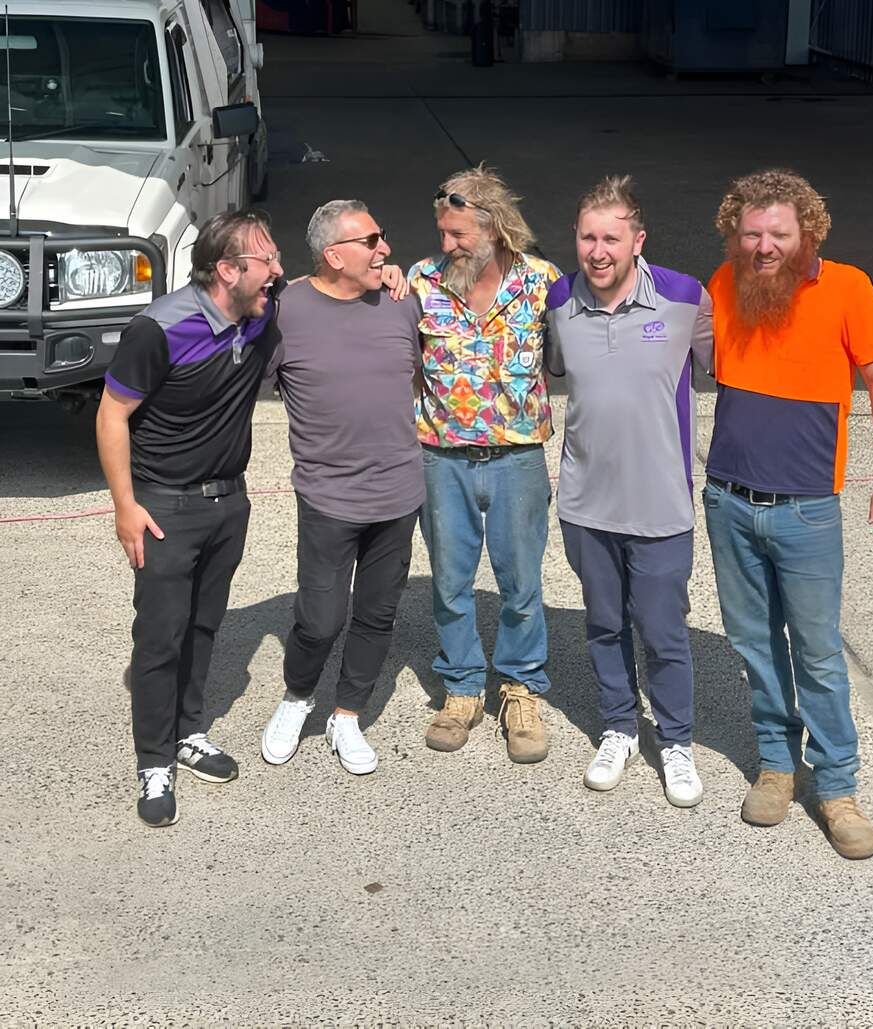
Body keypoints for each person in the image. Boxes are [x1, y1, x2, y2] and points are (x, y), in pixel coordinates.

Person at [703, 169, 873, 860]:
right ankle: (776, 764)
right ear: (736, 232)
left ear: (808, 233)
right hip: (728, 499)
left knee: (818, 652)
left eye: (779, 234)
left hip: (806, 510)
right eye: (751, 232)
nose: (764, 246)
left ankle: (839, 785)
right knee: (753, 642)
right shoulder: (722, 284)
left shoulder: (848, 287)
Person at [96, 210, 283, 827]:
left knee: (205, 626)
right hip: (165, 507)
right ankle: (153, 761)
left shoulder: (259, 314)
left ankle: (188, 731)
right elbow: (112, 415)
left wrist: (382, 273)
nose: (278, 273)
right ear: (228, 270)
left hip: (229, 502)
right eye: (266, 263)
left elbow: (326, 291)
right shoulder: (160, 329)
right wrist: (125, 505)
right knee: (159, 637)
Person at [546, 176, 713, 805]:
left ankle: (675, 740)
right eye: (588, 236)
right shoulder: (560, 300)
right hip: (586, 503)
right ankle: (617, 726)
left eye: (612, 237)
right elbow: (554, 368)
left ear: (637, 241)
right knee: (604, 623)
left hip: (662, 502)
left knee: (664, 630)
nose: (598, 250)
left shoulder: (683, 297)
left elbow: (728, 361)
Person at [260, 201, 423, 775]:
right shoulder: (284, 312)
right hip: (328, 497)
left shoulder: (403, 303)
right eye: (371, 241)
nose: (385, 249)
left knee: (378, 614)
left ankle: (347, 714)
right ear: (334, 256)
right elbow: (236, 382)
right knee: (320, 617)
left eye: (383, 238)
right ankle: (297, 698)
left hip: (400, 493)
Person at [408, 166, 560, 763]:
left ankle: (520, 687)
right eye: (442, 233)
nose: (446, 245)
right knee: (450, 581)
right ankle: (463, 686)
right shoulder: (419, 283)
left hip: (517, 457)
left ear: (494, 227)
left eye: (457, 234)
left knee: (521, 582)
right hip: (441, 457)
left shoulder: (545, 284)